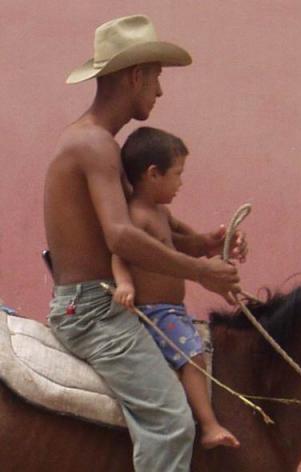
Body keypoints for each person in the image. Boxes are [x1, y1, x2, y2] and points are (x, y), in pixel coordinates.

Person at [44, 15, 246, 471]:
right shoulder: (94, 145)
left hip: (100, 304)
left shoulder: (102, 145)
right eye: (155, 78)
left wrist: (205, 245)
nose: (160, 91)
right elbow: (120, 236)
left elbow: (150, 229)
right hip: (93, 311)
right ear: (136, 77)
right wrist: (200, 273)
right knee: (173, 423)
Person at [111, 126, 240, 449]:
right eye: (178, 174)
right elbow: (120, 253)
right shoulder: (135, 217)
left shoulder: (161, 213)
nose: (181, 183)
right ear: (153, 174)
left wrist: (214, 243)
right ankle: (209, 426)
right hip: (156, 312)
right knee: (193, 358)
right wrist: (125, 283)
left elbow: (190, 244)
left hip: (173, 311)